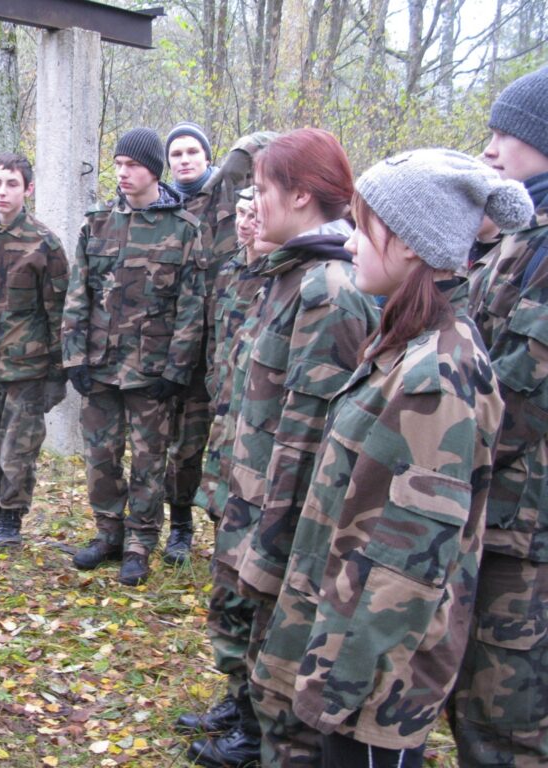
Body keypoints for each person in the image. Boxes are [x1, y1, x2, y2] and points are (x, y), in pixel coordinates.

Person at [254, 149, 525, 767]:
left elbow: (409, 566)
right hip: (353, 654)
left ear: (407, 245)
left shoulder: (435, 375)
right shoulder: (405, 348)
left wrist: (342, 687)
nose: (349, 245)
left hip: (376, 685)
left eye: (363, 227)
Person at [195, 129, 380, 767]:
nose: (251, 205)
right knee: (250, 645)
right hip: (252, 502)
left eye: (264, 191)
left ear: (301, 195)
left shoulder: (328, 288)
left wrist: (272, 542)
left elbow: (311, 440)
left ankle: (264, 738)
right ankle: (249, 722)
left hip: (285, 524)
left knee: (282, 671)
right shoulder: (291, 274)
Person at [452, 64, 548, 767]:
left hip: (526, 532)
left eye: (506, 135)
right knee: (472, 703)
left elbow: (517, 402)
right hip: (492, 512)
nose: (489, 150)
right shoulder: (517, 236)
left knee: (507, 722)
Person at [62, 127, 207, 586]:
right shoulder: (97, 223)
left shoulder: (183, 229)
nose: (123, 173)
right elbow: (77, 294)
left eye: (133, 166)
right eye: (119, 164)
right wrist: (74, 357)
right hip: (101, 365)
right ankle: (109, 533)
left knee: (149, 460)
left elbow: (192, 305)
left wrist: (177, 368)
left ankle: (141, 542)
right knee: (101, 456)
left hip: (152, 368)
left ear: (153, 171)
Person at [174, 188, 279, 743]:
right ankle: (238, 700)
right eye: (238, 214)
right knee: (230, 585)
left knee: (253, 591)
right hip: (229, 441)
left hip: (265, 467)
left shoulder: (306, 287)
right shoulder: (235, 275)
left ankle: (253, 715)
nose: (244, 224)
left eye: (254, 213)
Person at [161, 124, 274, 566]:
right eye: (176, 154)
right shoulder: (165, 208)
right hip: (185, 347)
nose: (185, 160)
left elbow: (267, 143)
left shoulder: (229, 195)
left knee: (232, 445)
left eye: (193, 151)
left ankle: (227, 535)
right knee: (183, 446)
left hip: (232, 341)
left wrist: (234, 159)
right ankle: (180, 529)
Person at [0, 153, 69, 549]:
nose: (3, 192)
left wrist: (58, 371)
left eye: (12, 184)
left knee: (17, 450)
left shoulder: (44, 243)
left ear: (28, 189)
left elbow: (59, 312)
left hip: (28, 368)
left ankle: (10, 522)